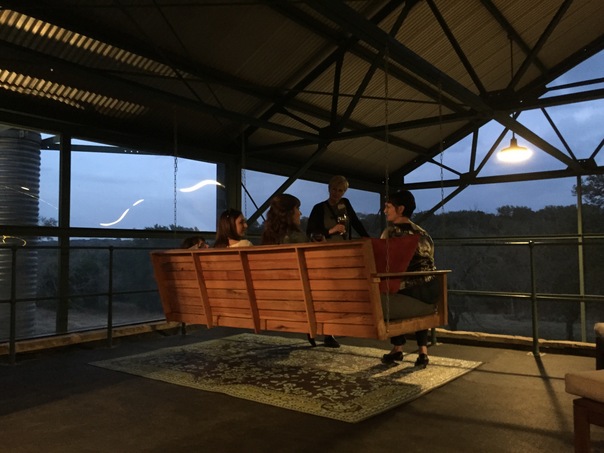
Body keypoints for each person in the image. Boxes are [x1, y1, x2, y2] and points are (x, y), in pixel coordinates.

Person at [261, 193, 339, 348]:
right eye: (298, 208)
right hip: (300, 293)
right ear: (289, 212)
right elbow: (315, 268)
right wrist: (321, 247)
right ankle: (327, 333)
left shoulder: (267, 239)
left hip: (272, 293)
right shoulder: (297, 237)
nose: (300, 213)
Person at [380, 190, 438, 369]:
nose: (385, 210)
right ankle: (422, 351)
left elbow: (384, 264)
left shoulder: (392, 233)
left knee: (385, 294)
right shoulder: (423, 233)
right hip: (430, 292)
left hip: (409, 293)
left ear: (400, 209)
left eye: (388, 207)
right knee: (415, 293)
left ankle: (398, 347)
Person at [306, 175, 370, 242]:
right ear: (329, 189)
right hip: (327, 245)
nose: (336, 193)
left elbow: (356, 222)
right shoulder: (318, 208)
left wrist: (367, 238)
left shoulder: (345, 203)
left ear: (344, 192)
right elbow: (310, 232)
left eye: (340, 190)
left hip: (345, 244)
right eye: (334, 189)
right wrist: (331, 230)